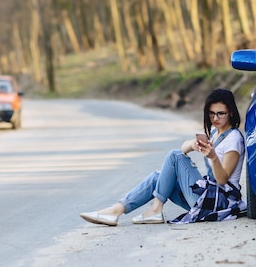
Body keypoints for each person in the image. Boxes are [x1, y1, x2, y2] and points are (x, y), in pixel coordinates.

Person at [80, 88, 245, 226]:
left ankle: (155, 209)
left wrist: (214, 158)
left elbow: (223, 180)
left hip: (219, 202)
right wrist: (192, 144)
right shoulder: (216, 132)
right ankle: (116, 210)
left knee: (174, 155)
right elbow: (183, 149)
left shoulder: (234, 139)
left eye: (220, 114)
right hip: (206, 197)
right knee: (159, 177)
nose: (215, 118)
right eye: (211, 114)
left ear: (230, 112)